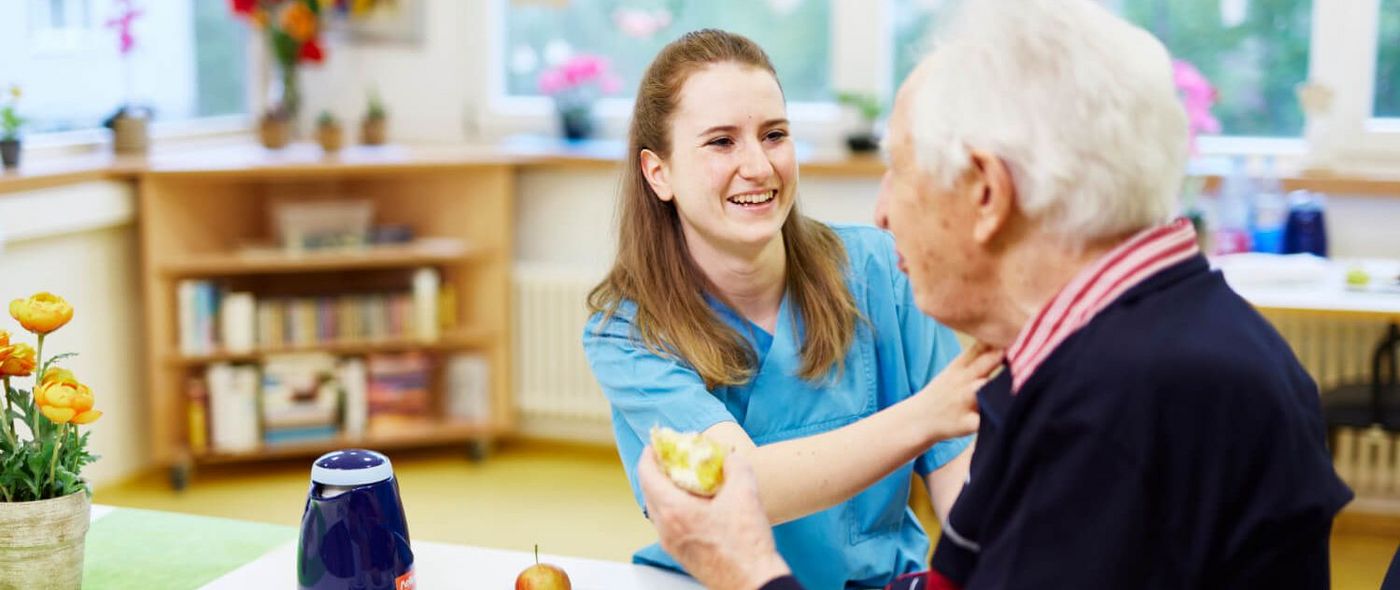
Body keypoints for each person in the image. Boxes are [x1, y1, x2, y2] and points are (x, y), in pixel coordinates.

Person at [635, 1, 1354, 589]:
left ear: (985, 193)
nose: (882, 213)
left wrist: (749, 572)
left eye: (901, 173)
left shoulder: (1120, 404)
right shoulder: (1139, 344)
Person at [582, 29, 1000, 590]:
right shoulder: (629, 333)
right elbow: (737, 488)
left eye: (774, 134)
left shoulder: (880, 269)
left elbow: (959, 476)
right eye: (721, 142)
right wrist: (926, 414)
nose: (757, 166)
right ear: (658, 172)